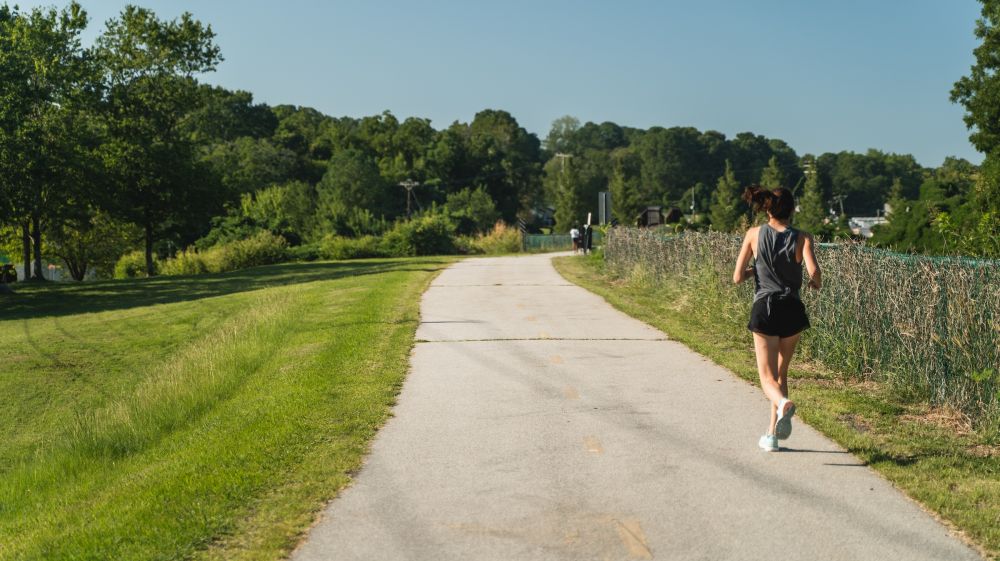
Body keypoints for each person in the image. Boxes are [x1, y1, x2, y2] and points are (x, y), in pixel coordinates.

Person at [732, 185, 822, 452]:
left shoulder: (754, 234)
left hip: (766, 307)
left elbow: (737, 277)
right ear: (792, 210)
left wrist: (755, 271)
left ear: (767, 208)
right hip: (792, 308)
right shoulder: (803, 237)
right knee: (781, 375)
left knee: (767, 378)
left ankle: (783, 405)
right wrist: (814, 283)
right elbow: (815, 272)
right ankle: (771, 435)